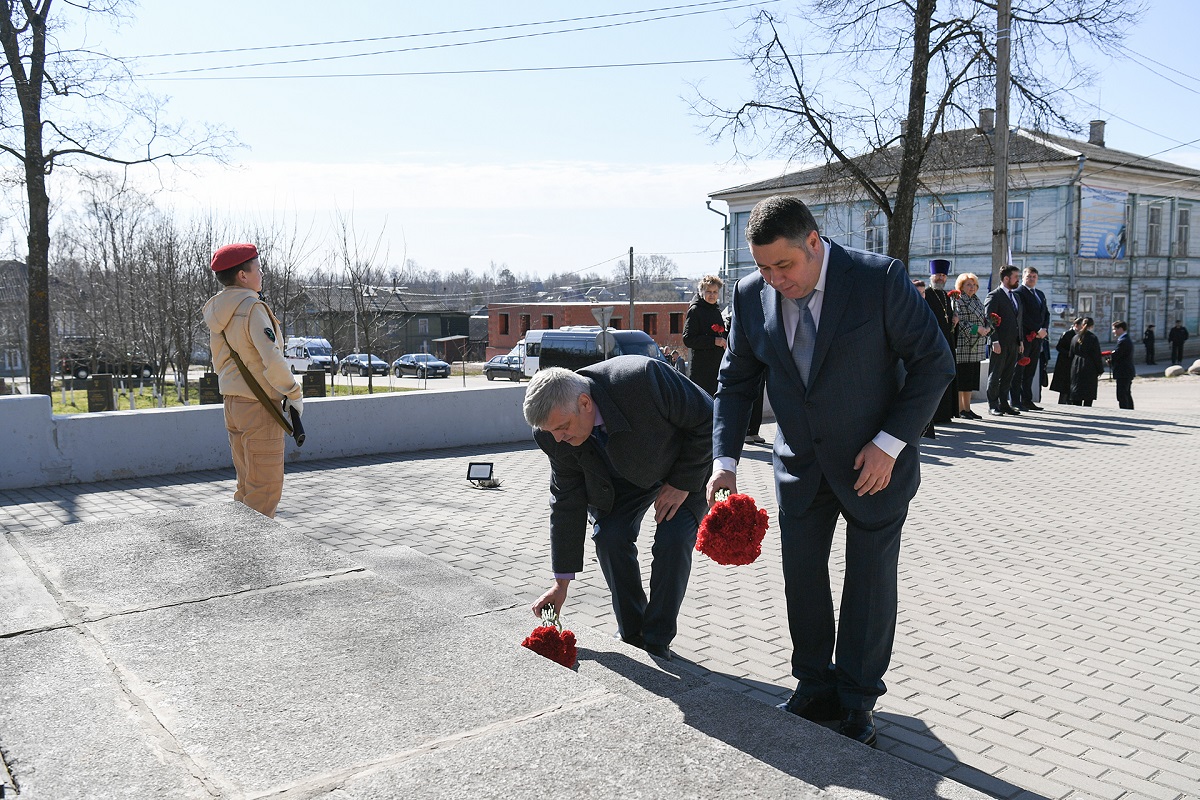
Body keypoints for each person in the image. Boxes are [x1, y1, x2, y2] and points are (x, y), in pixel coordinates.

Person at [706, 195, 954, 748]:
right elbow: (736, 381)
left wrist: (890, 443)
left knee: (868, 583)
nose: (773, 279)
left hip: (875, 467)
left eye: (784, 266)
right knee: (804, 581)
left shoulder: (878, 280)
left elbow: (933, 363)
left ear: (813, 243)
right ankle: (814, 684)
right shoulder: (751, 297)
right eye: (763, 267)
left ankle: (857, 700)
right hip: (799, 465)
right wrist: (724, 461)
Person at [525, 357, 713, 662]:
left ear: (585, 403)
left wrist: (681, 482)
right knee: (610, 537)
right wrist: (561, 583)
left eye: (563, 428)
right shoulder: (551, 433)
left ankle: (656, 640)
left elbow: (710, 419)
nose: (559, 439)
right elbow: (566, 500)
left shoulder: (643, 379)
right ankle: (632, 632)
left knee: (673, 539)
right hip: (624, 479)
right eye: (552, 433)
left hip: (684, 464)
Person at [202, 243, 303, 518]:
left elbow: (219, 362)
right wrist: (293, 392)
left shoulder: (218, 311)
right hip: (259, 406)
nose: (262, 273)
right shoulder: (251, 308)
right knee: (265, 489)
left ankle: (240, 552)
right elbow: (271, 358)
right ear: (243, 275)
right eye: (258, 268)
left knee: (247, 486)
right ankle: (254, 558)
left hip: (234, 404)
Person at [984, 265, 1024, 416]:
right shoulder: (994, 296)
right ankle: (993, 405)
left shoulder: (1016, 297)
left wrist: (1020, 340)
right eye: (1015, 277)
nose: (1018, 280)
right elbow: (989, 319)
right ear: (1006, 278)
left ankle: (1004, 403)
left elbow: (1018, 320)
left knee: (1008, 374)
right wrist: (994, 340)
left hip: (1013, 343)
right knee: (995, 374)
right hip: (999, 343)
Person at [925, 260, 960, 427]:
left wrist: (954, 320)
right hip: (933, 342)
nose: (941, 278)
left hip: (947, 341)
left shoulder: (946, 296)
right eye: (938, 275)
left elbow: (948, 317)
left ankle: (947, 412)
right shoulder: (926, 294)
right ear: (932, 276)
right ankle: (935, 415)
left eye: (943, 275)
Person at [951, 272, 989, 419]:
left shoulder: (977, 300)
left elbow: (983, 318)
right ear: (961, 286)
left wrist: (987, 327)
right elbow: (960, 322)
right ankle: (961, 408)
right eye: (968, 284)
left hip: (977, 344)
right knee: (964, 378)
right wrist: (976, 329)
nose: (972, 287)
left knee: (971, 379)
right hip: (965, 344)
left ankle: (967, 408)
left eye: (974, 285)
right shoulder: (959, 300)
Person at [1010, 267, 1049, 411]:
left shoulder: (1040, 294)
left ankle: (1027, 399)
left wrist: (1044, 329)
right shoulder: (1018, 293)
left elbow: (1046, 314)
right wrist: (1037, 329)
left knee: (1030, 371)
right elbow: (1022, 315)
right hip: (1024, 337)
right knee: (1018, 370)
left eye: (1034, 276)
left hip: (1038, 339)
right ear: (1023, 277)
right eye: (1029, 276)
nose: (1031, 279)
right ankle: (1015, 401)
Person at [682, 275, 726, 395]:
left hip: (717, 369)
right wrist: (713, 341)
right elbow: (688, 339)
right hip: (702, 371)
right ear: (701, 292)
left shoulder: (715, 310)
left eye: (715, 292)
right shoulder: (695, 310)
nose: (712, 295)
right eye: (708, 292)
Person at [1069, 317, 1104, 406]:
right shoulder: (1093, 338)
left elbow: (1070, 354)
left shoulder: (1075, 337)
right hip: (1089, 366)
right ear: (1091, 326)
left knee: (1077, 390)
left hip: (1076, 365)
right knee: (1088, 393)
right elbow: (1096, 355)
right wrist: (1100, 369)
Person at [1049, 319, 1082, 404]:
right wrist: (1069, 354)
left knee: (1072, 385)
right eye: (1081, 325)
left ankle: (1070, 402)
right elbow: (1059, 347)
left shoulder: (1081, 335)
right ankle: (1062, 403)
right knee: (1064, 386)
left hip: (1074, 363)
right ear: (1076, 325)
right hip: (1065, 363)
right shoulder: (1067, 334)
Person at [1111, 320, 1135, 410]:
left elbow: (1118, 355)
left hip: (1123, 371)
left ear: (1120, 329)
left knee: (1122, 394)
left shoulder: (1123, 341)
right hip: (1126, 371)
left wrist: (1111, 358)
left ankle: (1126, 411)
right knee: (1126, 393)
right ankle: (1129, 410)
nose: (1114, 331)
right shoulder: (1124, 339)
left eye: (1115, 329)